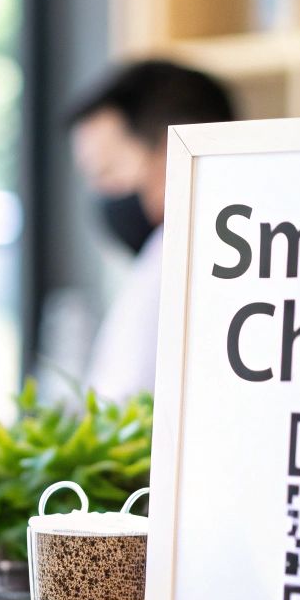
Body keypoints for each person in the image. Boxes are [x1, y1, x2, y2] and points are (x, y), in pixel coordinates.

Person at [66, 60, 237, 400]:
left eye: (107, 172)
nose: (103, 194)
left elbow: (114, 409)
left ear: (173, 151)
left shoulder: (178, 258)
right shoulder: (168, 255)